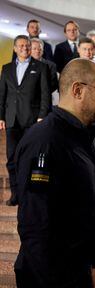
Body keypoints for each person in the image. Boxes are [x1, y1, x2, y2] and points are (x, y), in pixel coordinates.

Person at [14, 58, 95, 288]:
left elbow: (84, 210)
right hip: (51, 286)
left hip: (77, 272)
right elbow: (36, 227)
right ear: (78, 89)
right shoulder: (45, 140)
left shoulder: (82, 136)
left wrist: (93, 261)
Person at [0, 35, 51, 206]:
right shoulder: (6, 68)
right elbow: (2, 95)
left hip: (33, 121)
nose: (25, 48)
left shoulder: (41, 67)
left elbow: (45, 95)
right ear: (15, 48)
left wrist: (42, 116)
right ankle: (16, 194)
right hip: (12, 120)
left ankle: (30, 194)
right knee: (12, 159)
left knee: (32, 158)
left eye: (27, 46)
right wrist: (1, 116)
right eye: (21, 46)